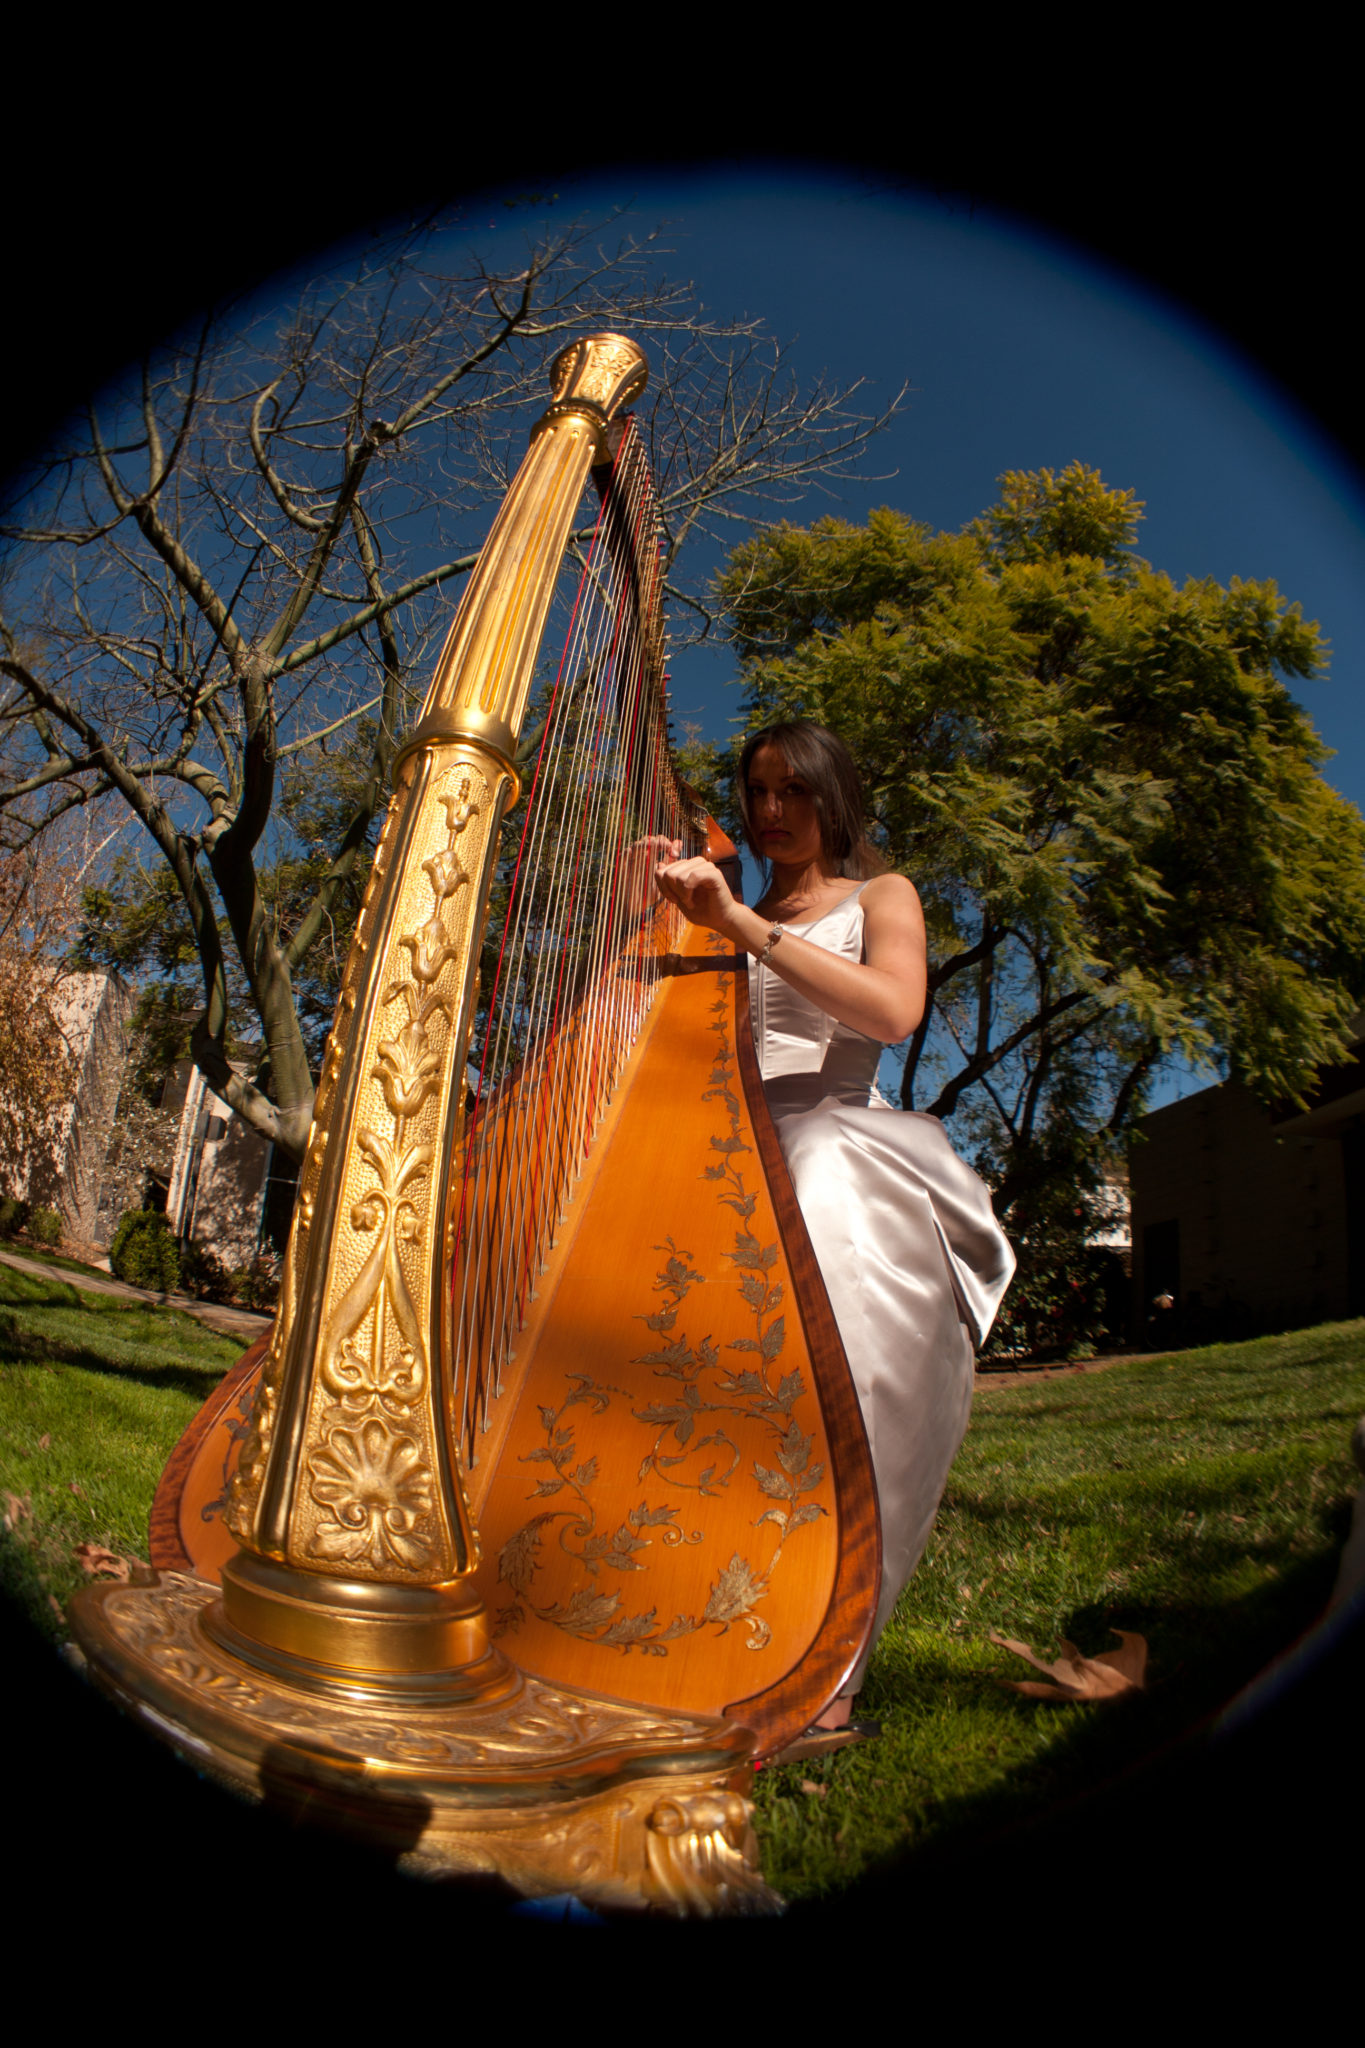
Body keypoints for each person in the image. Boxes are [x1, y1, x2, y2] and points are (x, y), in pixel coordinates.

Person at [652, 720, 1015, 1753]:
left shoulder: (879, 896)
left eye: (794, 790)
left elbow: (896, 1012)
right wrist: (663, 904)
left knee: (822, 1355)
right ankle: (679, 1621)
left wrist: (745, 930)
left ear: (833, 795)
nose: (772, 811)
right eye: (756, 790)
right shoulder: (717, 908)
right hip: (710, 1152)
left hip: (828, 1144)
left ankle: (824, 1672)